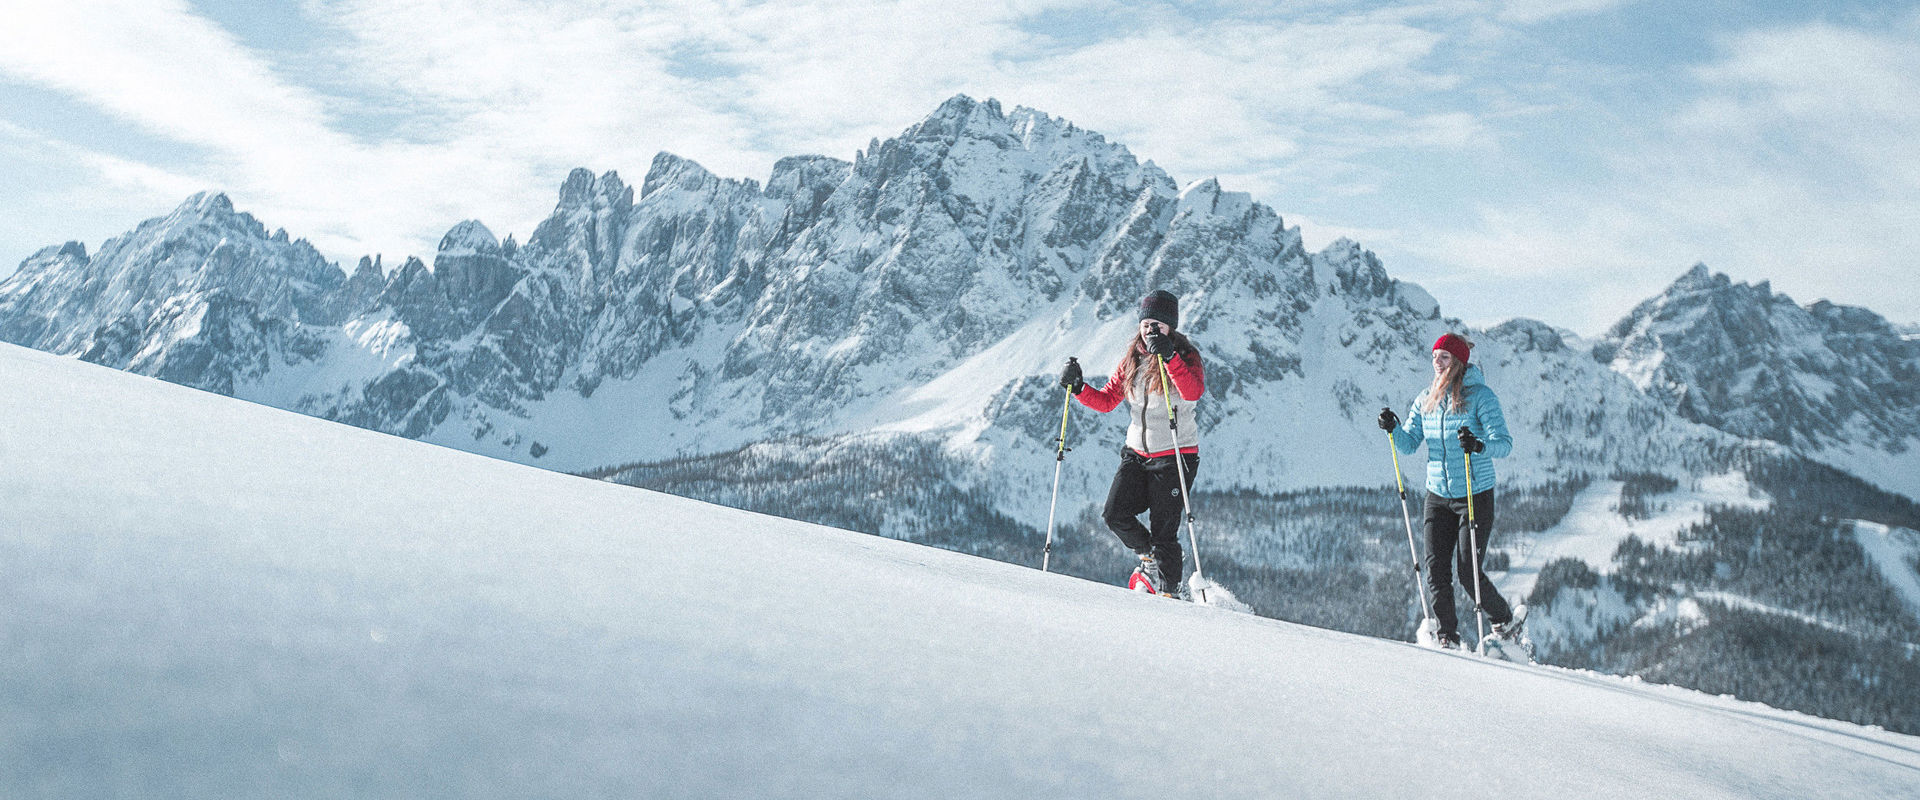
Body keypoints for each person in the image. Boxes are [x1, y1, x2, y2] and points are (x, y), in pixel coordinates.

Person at [1378, 333, 1525, 649]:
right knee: (1436, 569)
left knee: (1468, 571)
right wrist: (1393, 428)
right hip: (1437, 495)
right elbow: (1409, 444)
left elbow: (1504, 444)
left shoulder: (1481, 397)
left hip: (1474, 493)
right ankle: (1447, 636)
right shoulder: (1426, 399)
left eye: (1444, 357)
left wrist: (1478, 445)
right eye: (1434, 356)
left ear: (1458, 362)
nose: (1437, 362)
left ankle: (1504, 621)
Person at [1058, 290, 1205, 598]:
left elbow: (1192, 392)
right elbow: (1107, 401)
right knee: (1114, 514)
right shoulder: (1132, 359)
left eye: (1158, 325)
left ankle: (1170, 594)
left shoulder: (1186, 356)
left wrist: (1170, 358)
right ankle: (1150, 559)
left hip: (1175, 455)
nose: (1150, 330)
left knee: (1165, 532)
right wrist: (1079, 388)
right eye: (1146, 323)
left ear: (1170, 327)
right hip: (1137, 454)